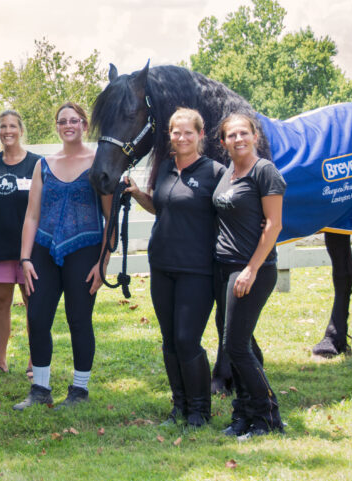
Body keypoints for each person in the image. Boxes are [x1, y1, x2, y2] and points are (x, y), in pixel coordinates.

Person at [125, 108, 225, 427]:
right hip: (162, 265)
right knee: (169, 340)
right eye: (176, 132)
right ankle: (179, 407)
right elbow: (162, 207)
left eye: (188, 132)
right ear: (169, 135)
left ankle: (199, 411)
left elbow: (230, 213)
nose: (181, 138)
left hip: (197, 269)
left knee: (186, 339)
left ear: (200, 135)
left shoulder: (215, 172)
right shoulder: (166, 168)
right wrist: (138, 194)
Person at [14, 102, 110, 410]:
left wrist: (102, 264)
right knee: (37, 317)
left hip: (86, 250)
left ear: (84, 124)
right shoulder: (43, 164)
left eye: (74, 120)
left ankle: (79, 391)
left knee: (79, 319)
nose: (68, 125)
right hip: (43, 250)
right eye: (62, 121)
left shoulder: (99, 162)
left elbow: (110, 218)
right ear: (57, 127)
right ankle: (40, 389)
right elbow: (32, 215)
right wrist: (25, 259)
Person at [212, 113, 286, 439]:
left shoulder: (264, 171)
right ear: (223, 142)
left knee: (237, 346)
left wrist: (251, 269)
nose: (238, 139)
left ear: (255, 136)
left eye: (244, 133)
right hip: (225, 267)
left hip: (253, 269)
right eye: (231, 135)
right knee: (234, 345)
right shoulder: (228, 173)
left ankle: (268, 418)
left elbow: (274, 224)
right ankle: (242, 415)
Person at [0, 110, 40, 375]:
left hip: (31, 251)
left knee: (34, 306)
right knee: (0, 304)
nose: (7, 131)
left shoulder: (37, 164)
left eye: (12, 126)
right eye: (3, 126)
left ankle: (35, 362)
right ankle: (0, 362)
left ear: (21, 130)